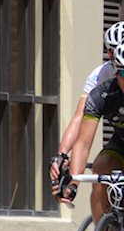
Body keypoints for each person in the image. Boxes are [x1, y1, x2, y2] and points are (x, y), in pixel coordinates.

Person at [52, 41, 124, 231]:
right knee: (101, 172)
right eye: (122, 73)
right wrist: (72, 183)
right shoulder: (103, 92)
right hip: (120, 145)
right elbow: (83, 142)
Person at [49, 20, 124, 207]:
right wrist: (64, 159)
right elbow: (80, 126)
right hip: (120, 140)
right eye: (111, 52)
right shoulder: (100, 82)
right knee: (102, 169)